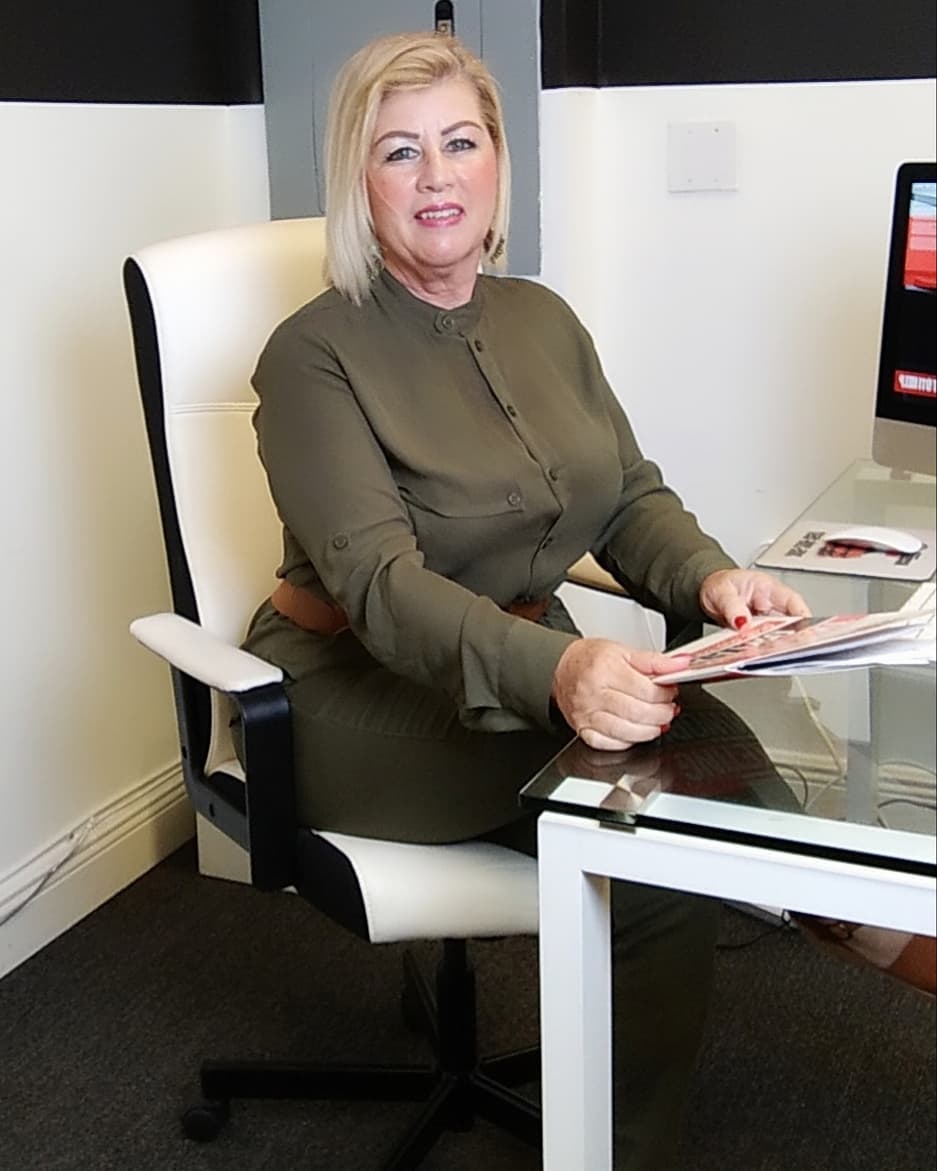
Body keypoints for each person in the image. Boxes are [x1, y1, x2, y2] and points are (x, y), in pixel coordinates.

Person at [239, 31, 813, 1168]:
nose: (436, 177)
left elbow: (625, 496)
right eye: (399, 152)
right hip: (352, 687)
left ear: (499, 160)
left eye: (461, 143)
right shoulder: (310, 356)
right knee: (658, 833)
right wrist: (559, 669)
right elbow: (383, 590)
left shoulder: (542, 320)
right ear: (359, 180)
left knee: (741, 779)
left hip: (526, 655)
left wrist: (711, 577)